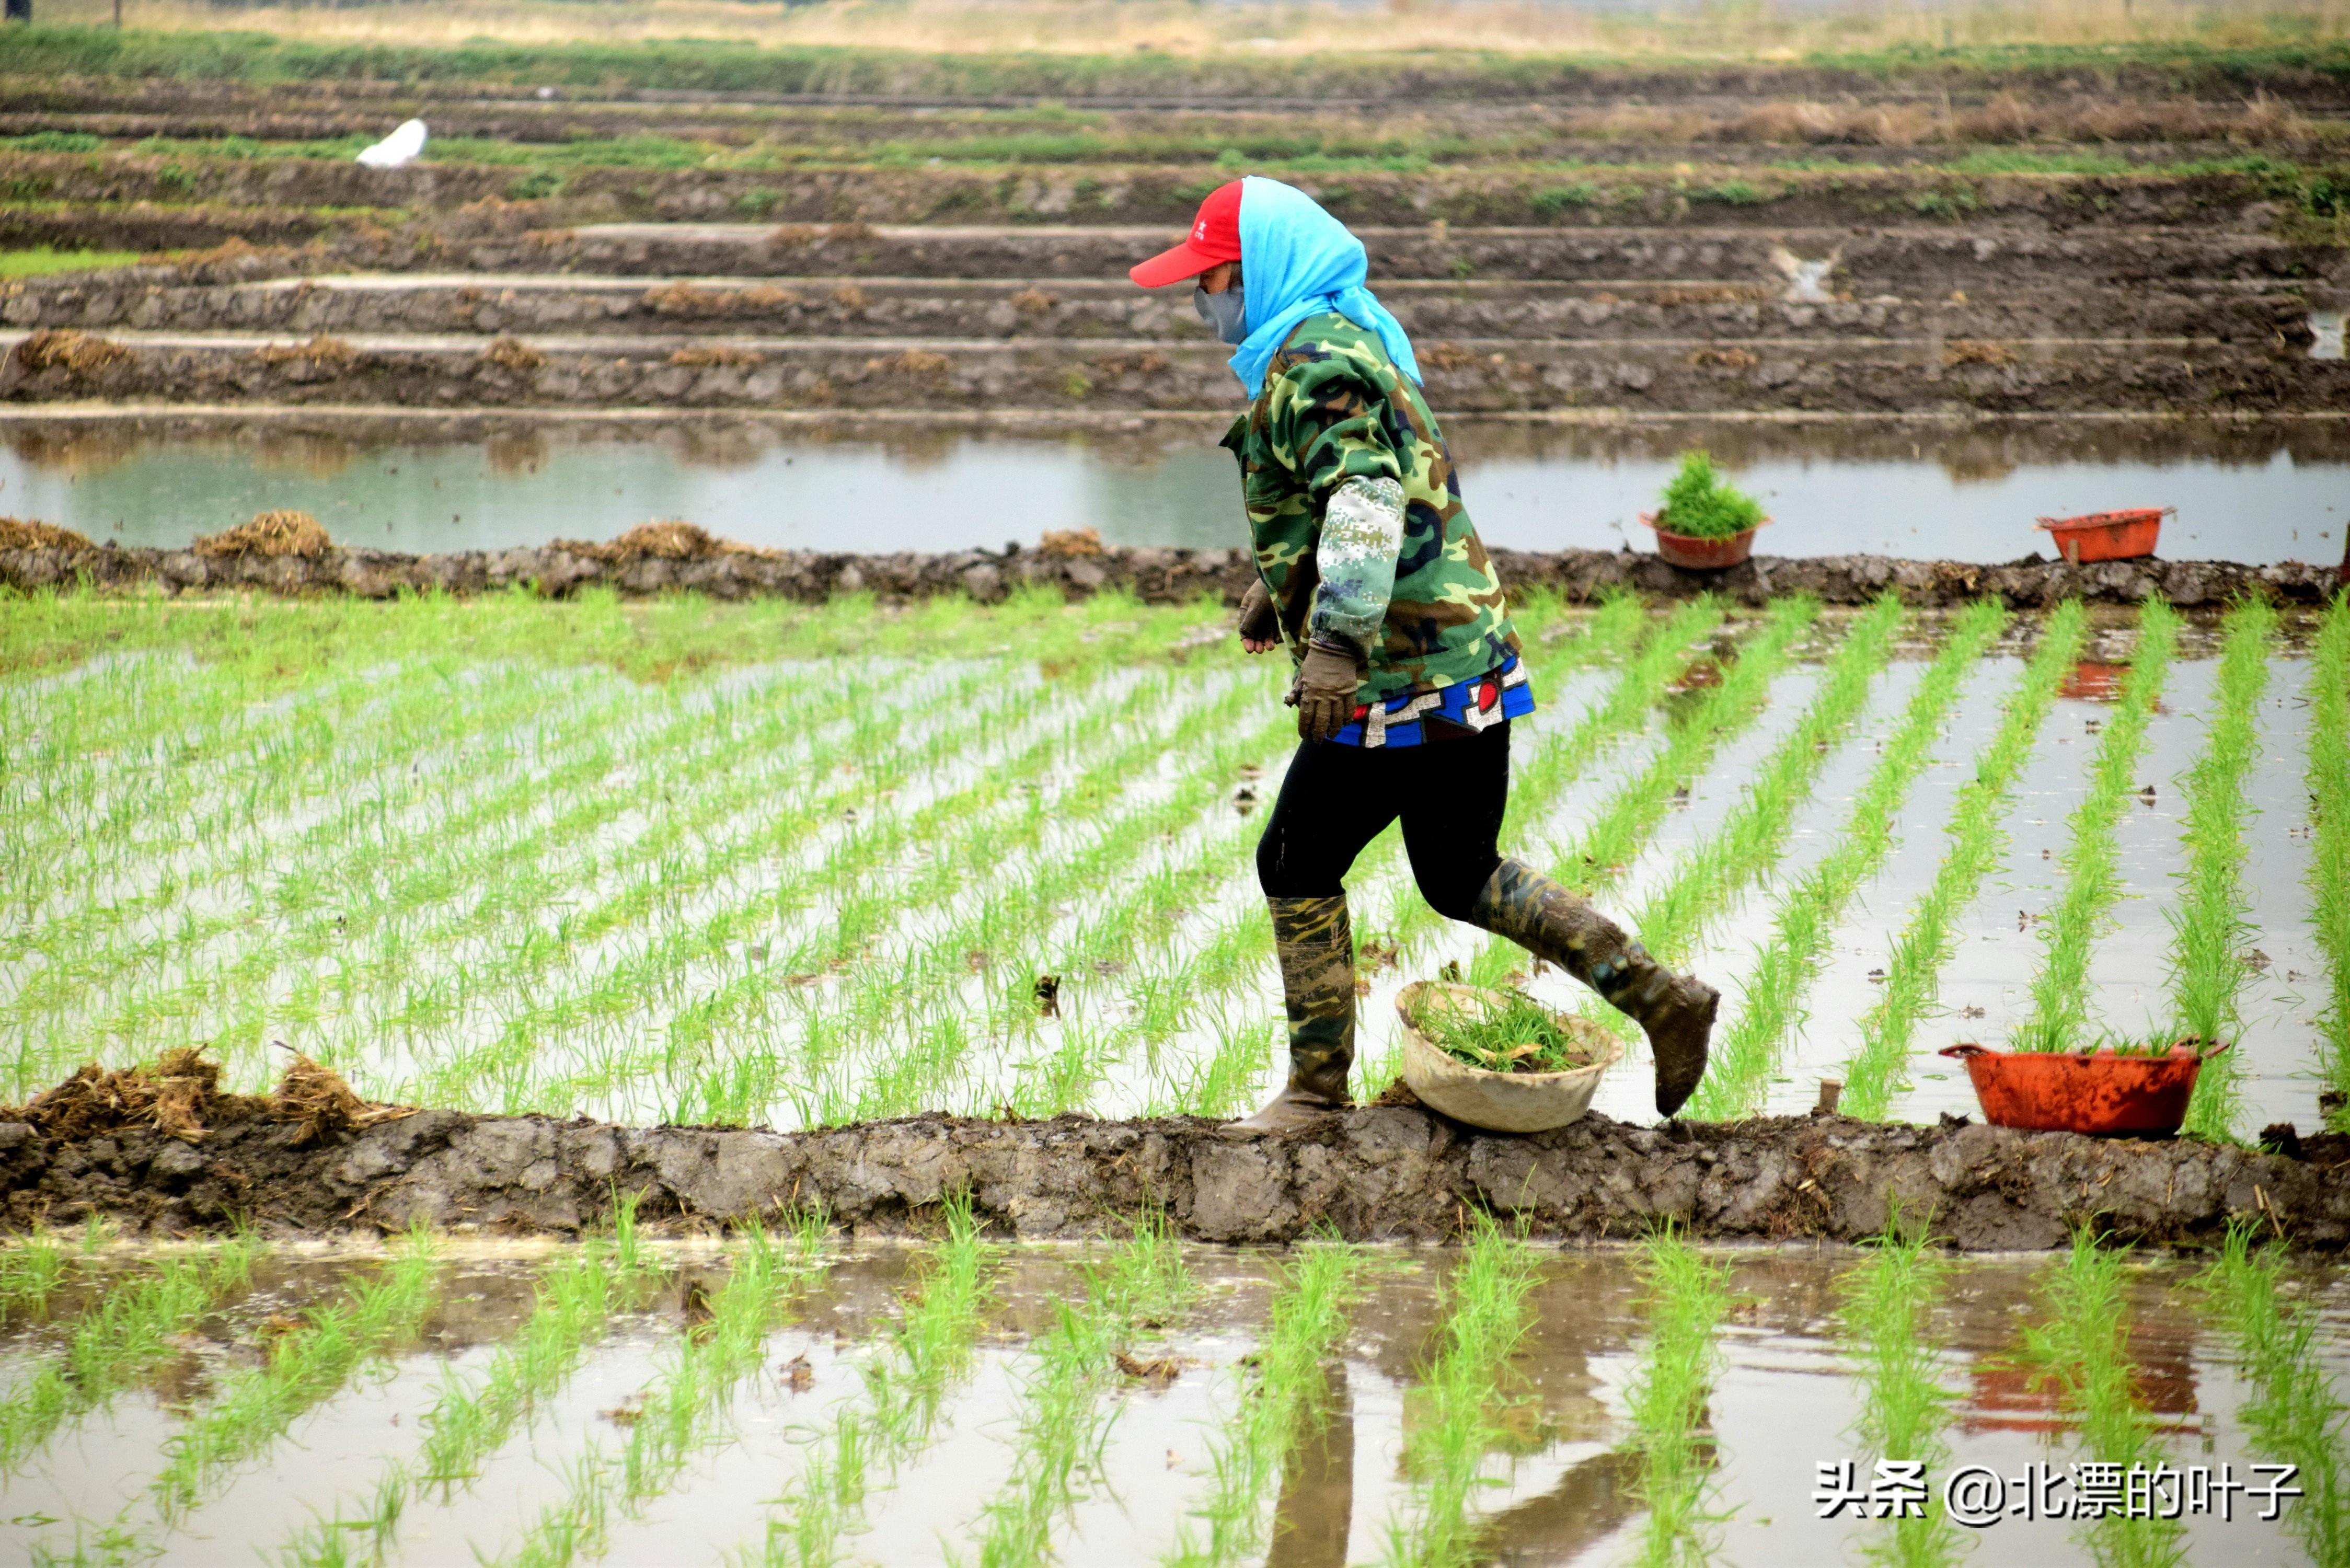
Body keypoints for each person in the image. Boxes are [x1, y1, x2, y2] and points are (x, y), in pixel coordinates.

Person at [1127, 176, 1720, 1132]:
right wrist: (1280, 588)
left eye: (1217, 279)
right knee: (1459, 872)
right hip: (1457, 656)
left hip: (1397, 675)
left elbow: (1365, 501)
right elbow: (1387, 486)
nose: (1205, 301)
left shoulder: (1314, 363)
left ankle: (1315, 1096)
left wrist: (1334, 646)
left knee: (1295, 857)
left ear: (1262, 273)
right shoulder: (1349, 336)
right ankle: (1660, 997)